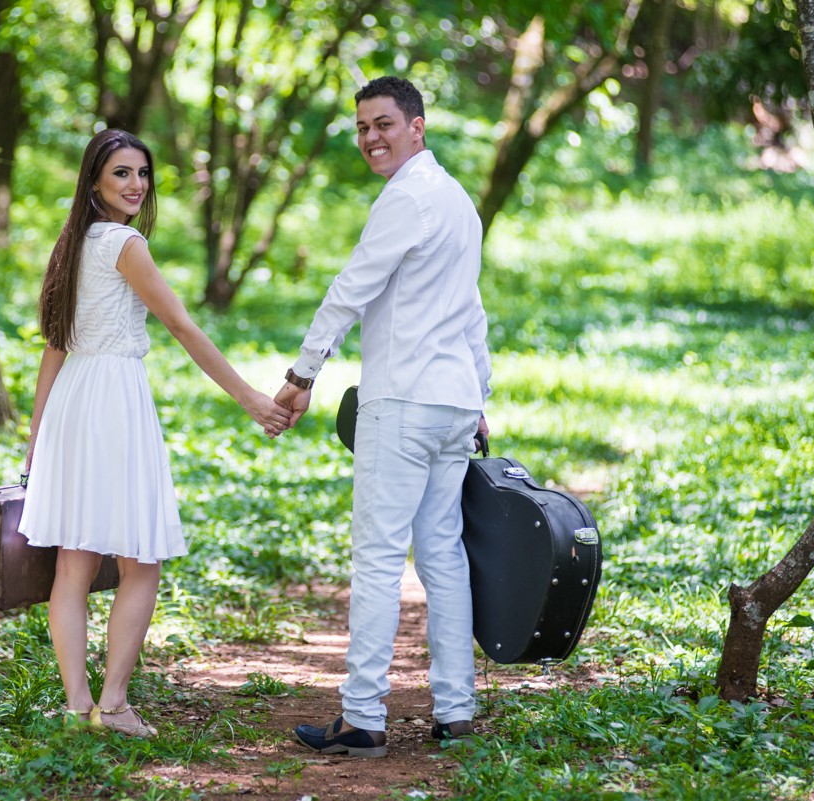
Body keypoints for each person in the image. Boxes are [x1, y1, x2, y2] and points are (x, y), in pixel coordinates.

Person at [19, 128, 291, 738]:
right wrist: (249, 398)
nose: (135, 184)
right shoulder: (124, 243)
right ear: (94, 181)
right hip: (112, 400)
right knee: (141, 562)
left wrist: (38, 435)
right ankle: (111, 706)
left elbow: (55, 349)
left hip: (72, 404)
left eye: (142, 173)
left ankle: (74, 708)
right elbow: (183, 326)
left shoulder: (72, 241)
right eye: (121, 173)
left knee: (75, 562)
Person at [276, 77, 492, 758]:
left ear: (418, 127)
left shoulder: (407, 199)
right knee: (442, 554)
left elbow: (351, 288)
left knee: (376, 558)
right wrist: (480, 398)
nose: (372, 137)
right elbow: (473, 315)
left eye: (385, 124)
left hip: (402, 401)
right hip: (453, 402)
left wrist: (302, 372)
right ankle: (455, 711)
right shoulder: (457, 201)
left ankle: (362, 716)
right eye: (363, 126)